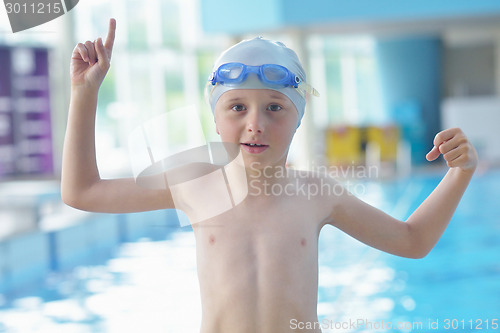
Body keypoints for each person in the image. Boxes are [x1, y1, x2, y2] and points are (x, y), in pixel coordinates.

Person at [61, 18, 478, 333]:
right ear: (217, 120)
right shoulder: (194, 184)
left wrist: (458, 175)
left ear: (298, 119)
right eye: (237, 107)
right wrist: (85, 93)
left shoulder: (316, 193)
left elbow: (412, 241)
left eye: (275, 108)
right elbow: (82, 191)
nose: (255, 124)